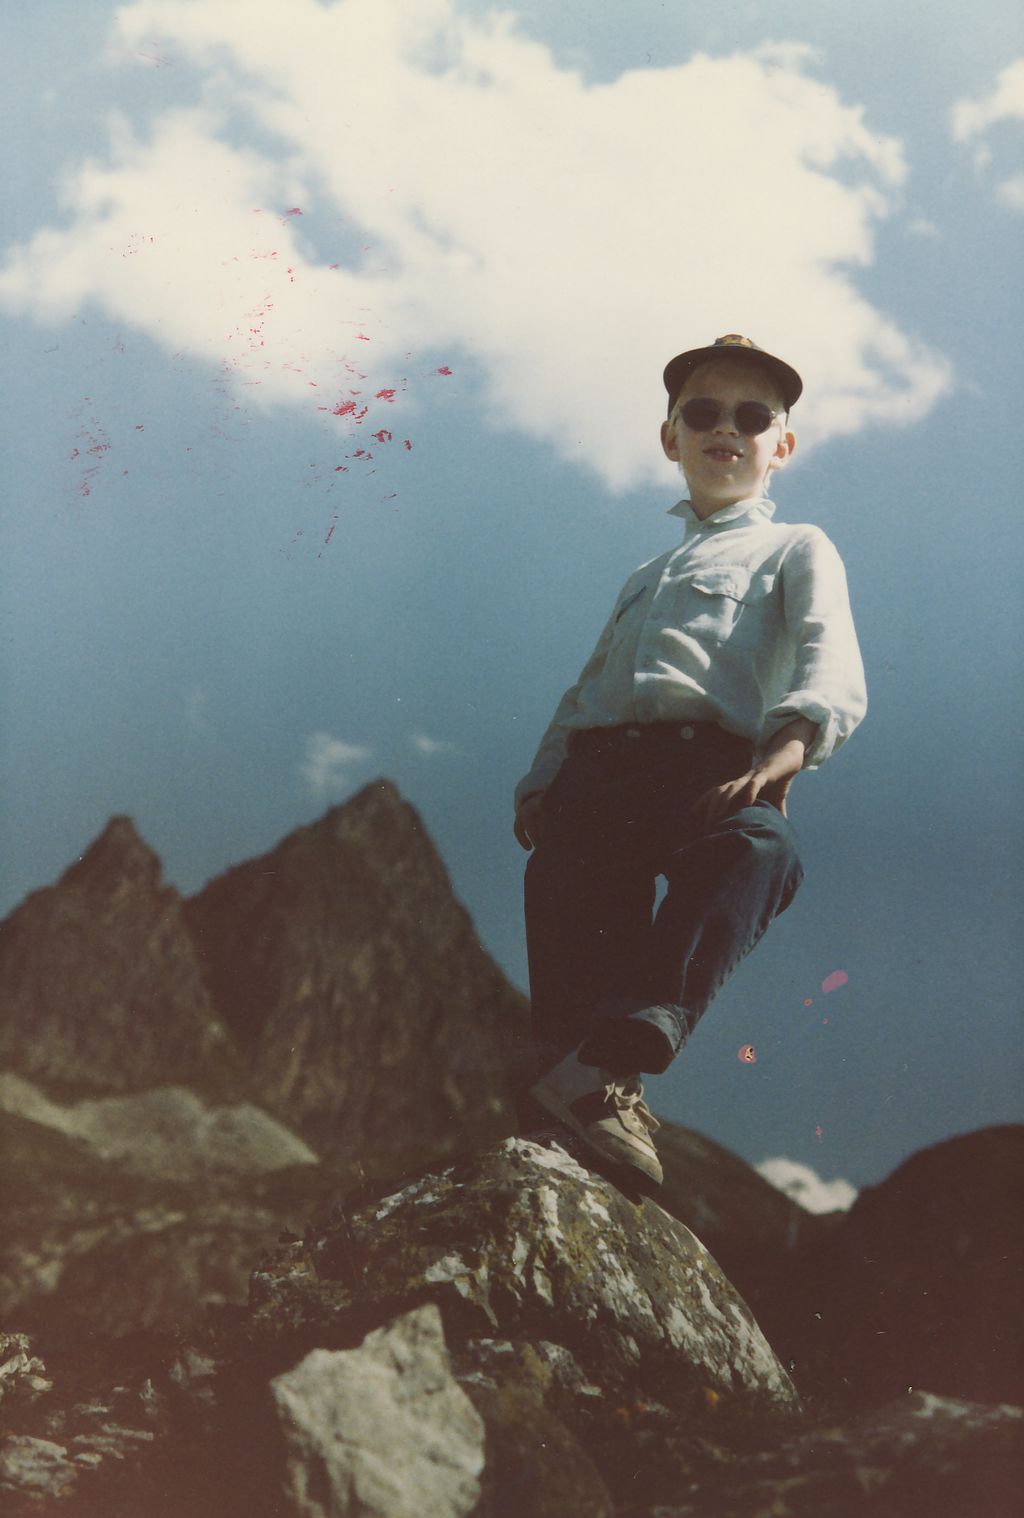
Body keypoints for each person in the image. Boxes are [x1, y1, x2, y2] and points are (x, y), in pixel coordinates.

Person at [513, 334, 867, 1184]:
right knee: (569, 939)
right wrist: (543, 776)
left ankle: (625, 1048)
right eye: (703, 412)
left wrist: (788, 747)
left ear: (782, 444)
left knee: (760, 849)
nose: (726, 429)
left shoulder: (796, 547)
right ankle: (585, 1094)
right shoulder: (646, 574)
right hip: (596, 777)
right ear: (670, 436)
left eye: (752, 417)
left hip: (706, 770)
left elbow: (828, 650)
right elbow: (593, 684)